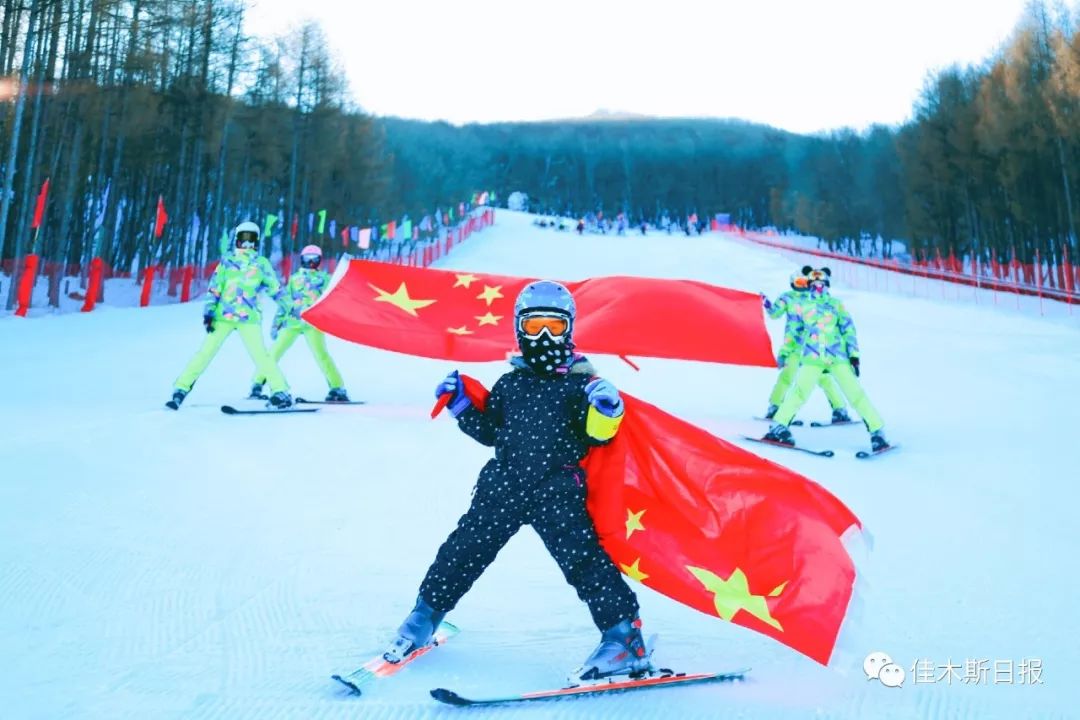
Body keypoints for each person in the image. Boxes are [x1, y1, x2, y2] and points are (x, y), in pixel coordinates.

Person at [382, 280, 652, 684]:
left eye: (554, 327)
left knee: (583, 563)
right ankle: (424, 616)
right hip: (502, 487)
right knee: (462, 551)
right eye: (535, 326)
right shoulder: (511, 384)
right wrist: (460, 407)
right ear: (518, 328)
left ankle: (623, 637)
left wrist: (607, 410)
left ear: (570, 329)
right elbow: (493, 431)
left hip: (556, 491)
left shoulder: (581, 386)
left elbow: (599, 435)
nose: (544, 336)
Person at [166, 221, 292, 410]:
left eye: (251, 241)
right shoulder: (227, 261)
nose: (247, 246)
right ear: (237, 241)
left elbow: (276, 289)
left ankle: (280, 391)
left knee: (261, 356)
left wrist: (294, 307)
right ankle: (180, 389)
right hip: (223, 316)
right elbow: (215, 287)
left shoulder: (261, 264)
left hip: (248, 318)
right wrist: (209, 312)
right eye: (244, 240)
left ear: (257, 242)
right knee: (205, 353)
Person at [763, 268, 890, 451]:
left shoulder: (836, 305)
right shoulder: (802, 305)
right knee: (799, 392)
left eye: (821, 285)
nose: (818, 288)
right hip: (812, 357)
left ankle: (877, 431)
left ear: (827, 285)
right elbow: (794, 333)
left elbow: (848, 329)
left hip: (837, 357)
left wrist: (854, 356)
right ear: (809, 285)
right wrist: (785, 352)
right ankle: (778, 426)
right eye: (814, 285)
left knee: (855, 393)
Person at [249, 245, 349, 402]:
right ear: (302, 260)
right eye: (307, 259)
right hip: (292, 323)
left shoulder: (324, 279)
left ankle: (338, 387)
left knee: (322, 355)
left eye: (314, 259)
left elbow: (334, 298)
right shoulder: (295, 279)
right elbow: (285, 303)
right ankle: (257, 384)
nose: (310, 263)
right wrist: (277, 324)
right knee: (273, 353)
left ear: (319, 261)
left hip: (313, 323)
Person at [761, 267, 850, 423]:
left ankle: (839, 409)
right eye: (798, 282)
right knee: (787, 377)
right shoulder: (787, 298)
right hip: (794, 347)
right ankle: (775, 407)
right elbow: (775, 313)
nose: (802, 286)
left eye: (804, 282)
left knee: (824, 378)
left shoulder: (814, 299)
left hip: (814, 348)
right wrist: (766, 303)